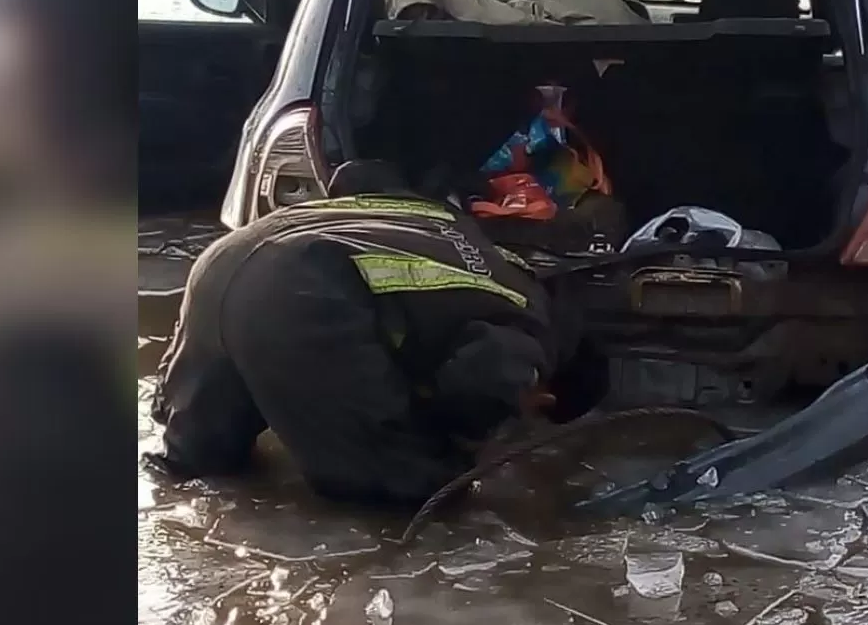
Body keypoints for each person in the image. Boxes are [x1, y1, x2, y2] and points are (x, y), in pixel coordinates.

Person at [147, 160, 559, 506]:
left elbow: (353, 175)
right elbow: (488, 377)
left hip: (221, 259)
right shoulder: (529, 307)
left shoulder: (435, 218)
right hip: (301, 289)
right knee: (419, 488)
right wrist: (470, 429)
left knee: (194, 466)